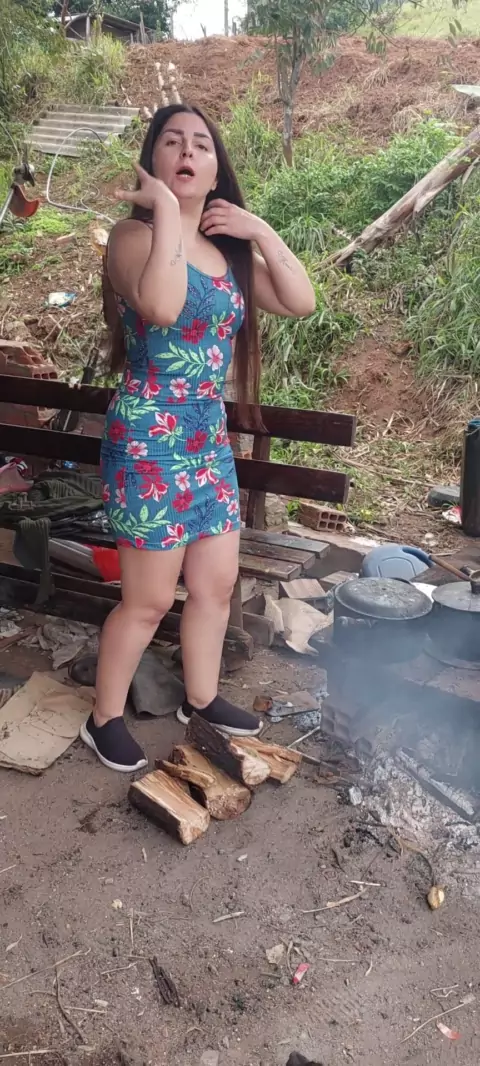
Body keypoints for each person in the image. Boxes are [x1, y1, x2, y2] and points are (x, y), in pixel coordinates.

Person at [80, 103, 316, 772]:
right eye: (173, 142)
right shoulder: (132, 237)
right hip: (148, 439)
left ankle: (202, 698)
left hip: (207, 440)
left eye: (202, 145)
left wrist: (258, 229)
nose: (188, 152)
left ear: (215, 171)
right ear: (154, 160)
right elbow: (161, 305)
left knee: (215, 585)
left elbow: (300, 300)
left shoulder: (227, 252)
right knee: (150, 599)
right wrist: (165, 212)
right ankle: (104, 718)